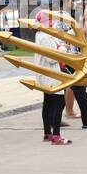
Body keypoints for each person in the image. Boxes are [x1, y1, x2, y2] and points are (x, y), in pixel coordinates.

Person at [55, 0, 87, 129]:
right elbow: (69, 35)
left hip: (67, 55)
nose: (72, 2)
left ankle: (55, 119)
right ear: (65, 0)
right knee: (77, 85)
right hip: (67, 55)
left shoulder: (64, 15)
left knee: (63, 87)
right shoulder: (63, 16)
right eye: (71, 0)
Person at [33, 10, 72, 145]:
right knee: (59, 103)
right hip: (51, 74)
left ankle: (48, 133)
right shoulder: (45, 37)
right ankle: (56, 135)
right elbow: (51, 58)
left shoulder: (40, 35)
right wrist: (63, 48)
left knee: (48, 103)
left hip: (45, 74)